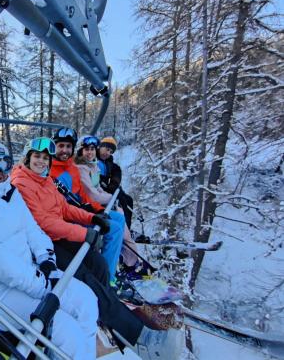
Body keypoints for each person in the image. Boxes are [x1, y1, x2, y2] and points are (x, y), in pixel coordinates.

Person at [10, 136, 184, 359]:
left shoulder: (44, 179)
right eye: (37, 157)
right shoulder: (22, 182)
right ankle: (140, 338)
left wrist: (92, 219)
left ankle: (108, 313)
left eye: (45, 158)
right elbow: (42, 222)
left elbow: (64, 209)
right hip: (43, 244)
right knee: (86, 280)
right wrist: (84, 233)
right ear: (27, 158)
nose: (42, 161)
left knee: (98, 263)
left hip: (57, 235)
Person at [0, 140, 99, 360]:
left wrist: (46, 260)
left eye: (5, 163)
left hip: (30, 274)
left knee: (87, 300)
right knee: (65, 329)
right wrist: (43, 285)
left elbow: (32, 230)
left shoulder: (10, 191)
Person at [49, 128, 130, 281]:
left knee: (118, 219)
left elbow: (83, 194)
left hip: (78, 211)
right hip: (68, 217)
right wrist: (88, 214)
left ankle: (111, 267)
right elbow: (60, 204)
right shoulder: (52, 170)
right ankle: (107, 279)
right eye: (61, 146)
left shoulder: (71, 167)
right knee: (114, 230)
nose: (65, 150)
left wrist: (97, 209)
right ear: (55, 147)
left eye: (68, 147)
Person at [97, 136, 134, 230]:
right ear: (101, 146)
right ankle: (124, 229)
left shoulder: (108, 162)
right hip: (98, 186)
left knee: (128, 199)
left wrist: (114, 182)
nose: (108, 153)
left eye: (111, 152)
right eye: (107, 149)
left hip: (107, 187)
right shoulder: (93, 156)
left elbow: (116, 170)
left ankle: (127, 228)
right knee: (121, 199)